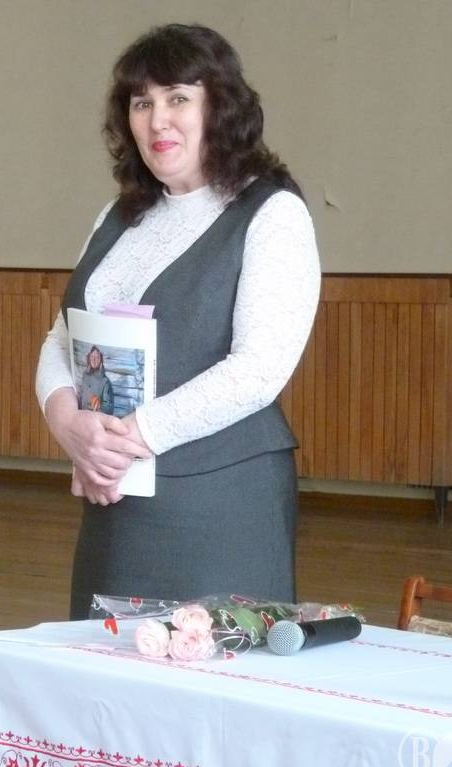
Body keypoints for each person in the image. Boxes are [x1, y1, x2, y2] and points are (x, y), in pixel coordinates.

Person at [36, 23, 321, 621]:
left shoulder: (272, 214)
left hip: (218, 502)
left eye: (178, 98)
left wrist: (123, 439)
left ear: (220, 107)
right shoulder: (117, 216)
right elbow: (63, 336)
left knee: (208, 667)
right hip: (114, 496)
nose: (158, 120)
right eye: (142, 103)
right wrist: (66, 422)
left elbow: (259, 370)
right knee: (102, 666)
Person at [80, 346, 114, 414]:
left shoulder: (105, 382)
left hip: (95, 418)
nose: (94, 360)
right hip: (82, 416)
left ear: (101, 360)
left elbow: (109, 408)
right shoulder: (85, 375)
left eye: (97, 357)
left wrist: (98, 406)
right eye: (92, 356)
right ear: (89, 358)